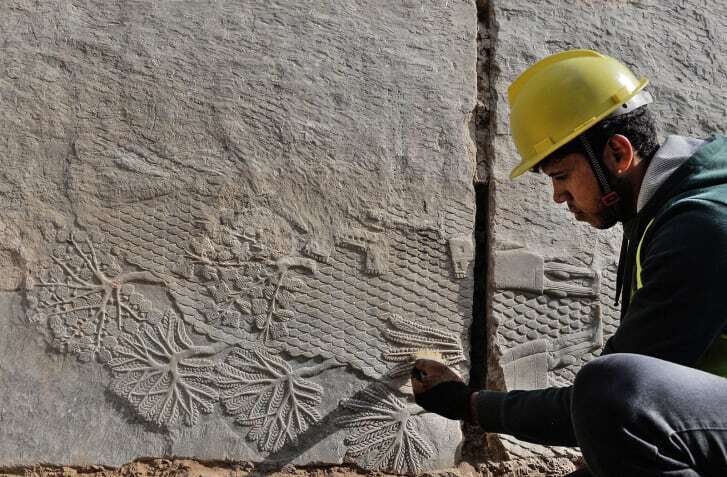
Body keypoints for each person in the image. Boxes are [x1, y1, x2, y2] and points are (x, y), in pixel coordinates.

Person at [411, 49, 727, 476]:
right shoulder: (665, 206)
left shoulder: (702, 227)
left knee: (609, 388)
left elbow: (614, 403)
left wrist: (470, 404)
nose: (558, 196)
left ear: (617, 153)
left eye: (561, 176)